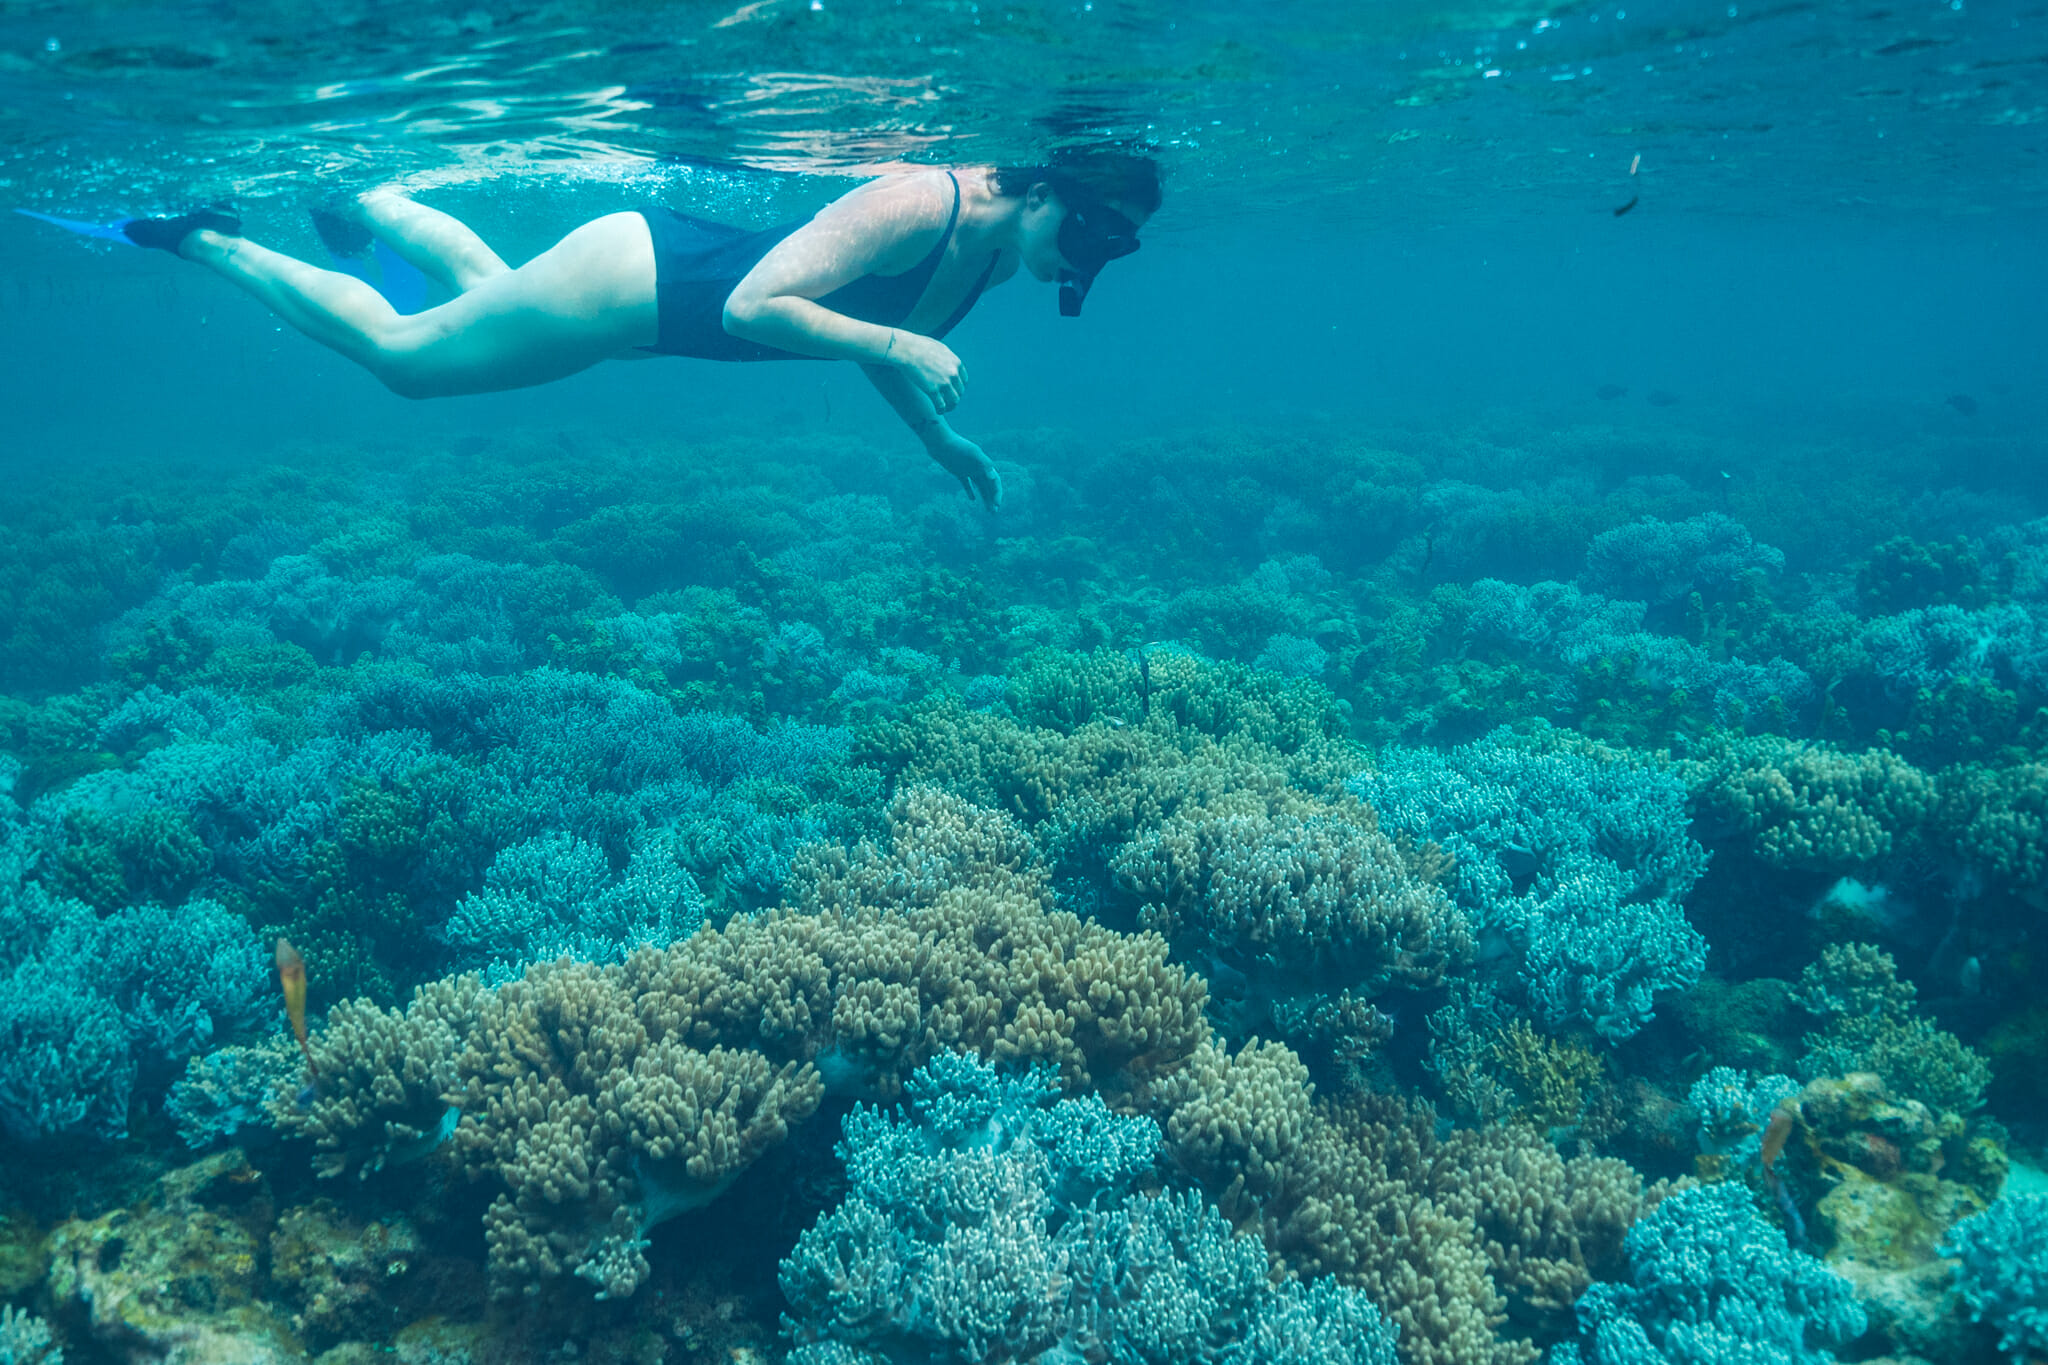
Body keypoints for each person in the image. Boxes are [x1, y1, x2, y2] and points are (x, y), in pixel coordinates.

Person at [114, 156, 1160, 510]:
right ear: (1048, 196)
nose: (1085, 271)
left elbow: (858, 328)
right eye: (1091, 244)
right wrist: (905, 350)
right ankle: (208, 241)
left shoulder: (987, 246)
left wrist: (936, 439)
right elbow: (757, 307)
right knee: (407, 360)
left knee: (493, 292)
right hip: (636, 284)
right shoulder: (917, 201)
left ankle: (372, 201)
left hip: (640, 303)